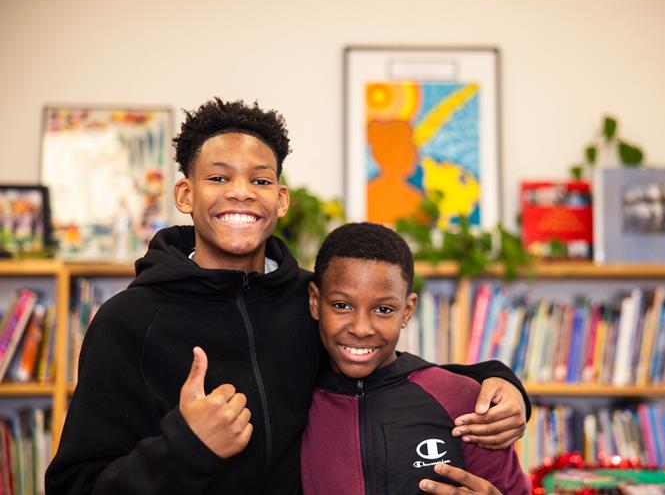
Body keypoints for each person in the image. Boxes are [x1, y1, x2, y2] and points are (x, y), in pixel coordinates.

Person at [45, 97, 530, 494]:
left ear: (280, 199)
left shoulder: (311, 301)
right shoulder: (127, 320)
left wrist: (500, 381)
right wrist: (187, 446)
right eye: (219, 177)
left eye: (260, 180)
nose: (241, 192)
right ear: (186, 195)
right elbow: (75, 486)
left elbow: (383, 366)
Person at [301, 222, 530, 495]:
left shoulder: (465, 403)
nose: (361, 329)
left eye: (383, 309)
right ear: (314, 301)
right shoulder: (293, 403)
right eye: (342, 305)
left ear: (407, 311)